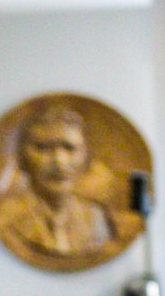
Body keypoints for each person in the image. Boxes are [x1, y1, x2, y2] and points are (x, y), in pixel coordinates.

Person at [0, 104, 115, 259]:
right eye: (43, 148)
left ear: (86, 157)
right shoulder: (7, 216)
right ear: (22, 157)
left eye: (69, 148)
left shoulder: (96, 219)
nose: (59, 161)